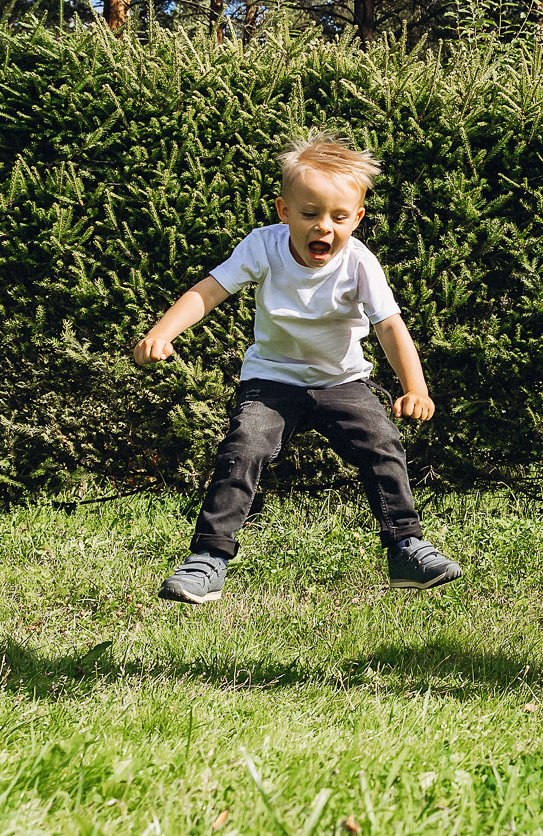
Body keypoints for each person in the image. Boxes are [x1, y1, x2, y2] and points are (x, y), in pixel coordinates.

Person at [133, 131, 463, 604]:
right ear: (284, 211)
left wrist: (416, 387)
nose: (323, 227)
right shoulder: (263, 247)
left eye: (339, 217)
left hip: (342, 382)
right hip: (271, 380)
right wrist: (162, 333)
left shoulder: (359, 263)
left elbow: (390, 326)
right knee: (244, 446)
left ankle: (406, 548)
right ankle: (208, 560)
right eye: (309, 214)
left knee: (382, 443)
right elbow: (209, 290)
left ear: (358, 218)